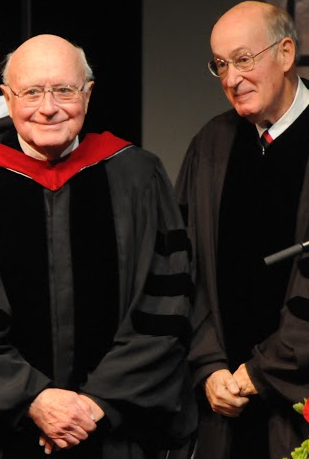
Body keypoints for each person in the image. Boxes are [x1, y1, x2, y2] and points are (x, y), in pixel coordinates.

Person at [0, 34, 197, 459]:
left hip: (114, 433)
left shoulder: (137, 176)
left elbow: (165, 307)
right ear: (6, 97)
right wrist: (30, 397)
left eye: (65, 90)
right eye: (31, 91)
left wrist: (95, 404)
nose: (48, 107)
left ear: (88, 95)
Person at [169, 2, 309, 459]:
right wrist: (209, 365)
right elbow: (179, 267)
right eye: (221, 65)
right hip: (222, 402)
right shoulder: (211, 144)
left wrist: (264, 370)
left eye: (244, 59)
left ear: (286, 53)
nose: (231, 79)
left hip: (296, 400)